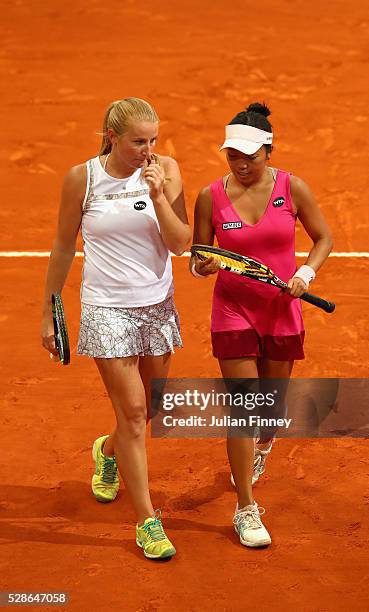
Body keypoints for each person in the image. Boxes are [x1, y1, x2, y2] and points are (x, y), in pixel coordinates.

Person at [41, 97, 191, 559]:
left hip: (157, 305)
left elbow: (182, 244)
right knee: (132, 411)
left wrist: (161, 196)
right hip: (107, 310)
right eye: (137, 142)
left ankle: (108, 453)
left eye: (152, 141)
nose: (147, 150)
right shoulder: (82, 179)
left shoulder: (165, 168)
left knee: (151, 408)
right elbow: (64, 246)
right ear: (111, 136)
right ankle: (147, 520)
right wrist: (50, 310)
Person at [190, 102, 333, 547]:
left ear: (269, 151)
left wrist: (304, 275)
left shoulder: (293, 189)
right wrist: (202, 269)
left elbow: (323, 238)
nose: (242, 163)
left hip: (281, 308)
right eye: (234, 155)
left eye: (250, 155)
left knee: (269, 411)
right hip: (232, 310)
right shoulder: (209, 197)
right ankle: (246, 509)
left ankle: (264, 444)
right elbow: (199, 256)